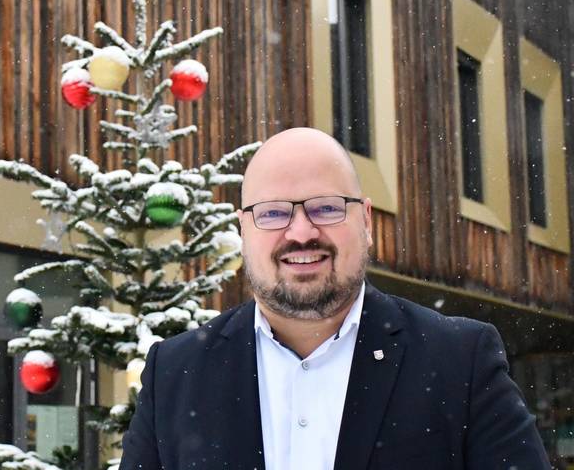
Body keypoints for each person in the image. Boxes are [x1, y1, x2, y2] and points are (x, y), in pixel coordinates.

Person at [119, 127, 550, 469]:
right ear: (244, 229)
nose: (301, 232)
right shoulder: (175, 374)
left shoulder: (460, 362)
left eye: (326, 208)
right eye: (273, 212)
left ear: (365, 220)